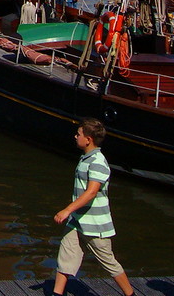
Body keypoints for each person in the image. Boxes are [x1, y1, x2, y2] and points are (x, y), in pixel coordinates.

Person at [52, 118, 134, 296]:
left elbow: (91, 193)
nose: (75, 136)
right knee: (66, 256)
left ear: (88, 139)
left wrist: (67, 210)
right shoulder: (85, 158)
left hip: (94, 225)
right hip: (77, 221)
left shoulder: (97, 161)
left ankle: (130, 294)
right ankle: (57, 293)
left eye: (78, 134)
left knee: (108, 261)